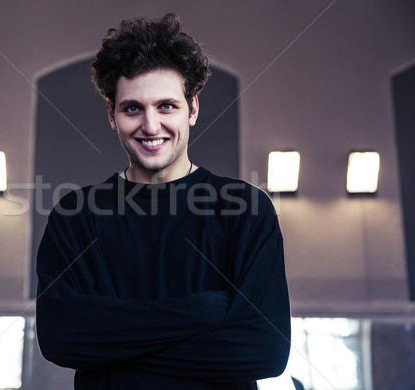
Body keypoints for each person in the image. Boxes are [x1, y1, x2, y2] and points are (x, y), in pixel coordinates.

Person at [36, 13, 290, 390]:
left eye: (166, 106)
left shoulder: (245, 208)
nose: (151, 126)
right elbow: (60, 337)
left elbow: (265, 349)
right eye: (132, 108)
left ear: (193, 109)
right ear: (111, 115)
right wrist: (205, 309)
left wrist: (115, 355)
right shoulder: (76, 215)